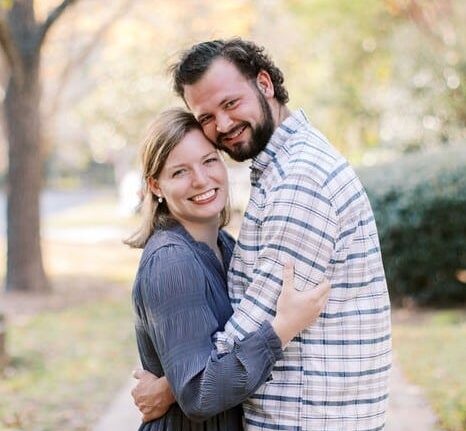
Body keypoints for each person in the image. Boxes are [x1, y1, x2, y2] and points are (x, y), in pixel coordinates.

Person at [132, 38, 392, 430]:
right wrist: (182, 380)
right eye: (207, 116)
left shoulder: (299, 181)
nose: (222, 125)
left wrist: (172, 386)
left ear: (265, 84)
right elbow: (214, 366)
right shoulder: (279, 174)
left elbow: (235, 347)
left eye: (231, 103)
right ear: (156, 185)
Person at [126, 108, 331, 430]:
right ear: (155, 186)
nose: (201, 180)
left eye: (209, 161)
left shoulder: (225, 245)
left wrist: (169, 387)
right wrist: (284, 327)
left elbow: (213, 355)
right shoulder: (170, 262)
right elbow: (199, 393)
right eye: (179, 172)